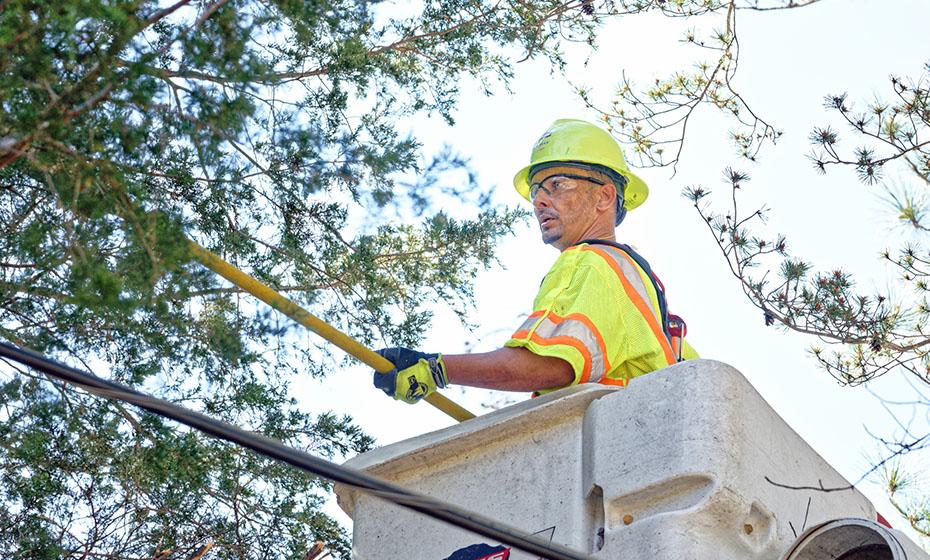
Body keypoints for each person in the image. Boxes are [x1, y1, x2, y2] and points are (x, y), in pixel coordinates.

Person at [372, 118, 698, 405]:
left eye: (557, 185)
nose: (540, 200)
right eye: (536, 191)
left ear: (604, 196)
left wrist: (435, 369)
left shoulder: (591, 262)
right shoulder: (644, 299)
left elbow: (551, 364)